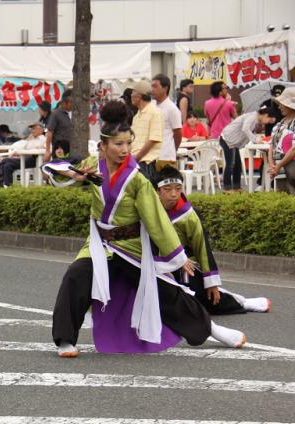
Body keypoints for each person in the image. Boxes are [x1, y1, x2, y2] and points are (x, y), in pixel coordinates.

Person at [42, 100, 246, 358]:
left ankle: (212, 329)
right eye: (118, 144)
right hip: (100, 245)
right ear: (103, 146)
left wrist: (178, 257)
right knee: (75, 276)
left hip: (131, 247)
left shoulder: (137, 179)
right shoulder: (93, 167)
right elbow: (55, 169)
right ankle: (65, 340)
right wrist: (75, 176)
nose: (125, 149)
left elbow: (156, 220)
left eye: (128, 143)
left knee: (166, 290)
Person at [153, 166, 271, 314]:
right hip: (157, 264)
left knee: (207, 301)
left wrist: (211, 282)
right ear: (157, 192)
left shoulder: (189, 215)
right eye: (168, 189)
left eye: (178, 188)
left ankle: (242, 302)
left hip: (186, 264)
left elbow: (202, 248)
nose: (174, 194)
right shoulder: (151, 211)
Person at [220, 106, 276, 191]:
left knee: (237, 164)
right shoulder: (253, 117)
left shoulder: (255, 119)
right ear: (266, 115)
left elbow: (248, 129)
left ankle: (236, 186)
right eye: (269, 120)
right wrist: (255, 139)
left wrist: (256, 132)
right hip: (227, 139)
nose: (268, 123)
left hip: (233, 141)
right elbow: (245, 129)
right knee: (231, 164)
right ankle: (227, 188)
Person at [130, 80, 163, 179]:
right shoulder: (137, 115)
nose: (131, 95)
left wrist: (137, 157)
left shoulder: (154, 112)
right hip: (136, 161)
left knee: (146, 192)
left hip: (147, 162)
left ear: (139, 96)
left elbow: (153, 139)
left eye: (132, 92)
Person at [0, 122, 45, 187]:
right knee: (7, 166)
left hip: (35, 159)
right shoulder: (31, 138)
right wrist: (28, 139)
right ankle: (7, 185)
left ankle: (1, 183)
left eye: (34, 129)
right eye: (31, 129)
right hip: (25, 157)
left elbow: (34, 148)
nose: (32, 131)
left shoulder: (42, 139)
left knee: (4, 160)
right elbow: (17, 146)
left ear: (41, 130)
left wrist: (19, 150)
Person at [151, 74, 182, 171]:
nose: (152, 89)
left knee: (166, 185)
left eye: (155, 86)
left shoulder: (172, 108)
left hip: (166, 155)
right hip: (151, 156)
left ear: (165, 88)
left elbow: (178, 133)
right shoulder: (152, 106)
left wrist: (173, 148)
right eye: (152, 86)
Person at [268, 87, 295, 194]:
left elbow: (293, 149)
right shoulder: (279, 124)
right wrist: (272, 166)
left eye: (282, 104)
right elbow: (271, 146)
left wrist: (278, 166)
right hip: (280, 168)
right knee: (282, 197)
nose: (279, 107)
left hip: (291, 168)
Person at [44, 90, 72, 162]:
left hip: (71, 149)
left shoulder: (73, 114)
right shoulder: (56, 114)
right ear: (65, 103)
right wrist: (47, 150)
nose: (73, 105)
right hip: (59, 149)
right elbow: (49, 132)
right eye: (71, 103)